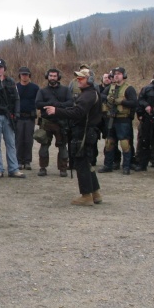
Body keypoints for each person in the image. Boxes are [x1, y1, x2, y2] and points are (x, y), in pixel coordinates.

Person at [44, 68, 103, 205]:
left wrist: (57, 111)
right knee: (87, 163)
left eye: (81, 78)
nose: (78, 80)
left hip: (83, 133)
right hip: (86, 132)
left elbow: (78, 113)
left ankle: (86, 196)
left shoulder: (88, 95)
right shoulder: (89, 93)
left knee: (81, 164)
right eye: (78, 78)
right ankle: (95, 193)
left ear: (89, 80)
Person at [35, 67, 72, 177]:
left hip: (62, 122)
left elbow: (70, 103)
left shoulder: (65, 90)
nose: (52, 78)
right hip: (46, 122)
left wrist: (57, 106)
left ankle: (63, 168)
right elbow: (37, 104)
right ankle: (42, 167)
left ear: (58, 77)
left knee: (62, 147)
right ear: (47, 77)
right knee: (44, 146)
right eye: (50, 76)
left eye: (55, 76)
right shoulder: (42, 91)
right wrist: (49, 103)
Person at [99, 67, 137, 175]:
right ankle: (108, 165)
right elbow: (101, 95)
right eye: (115, 74)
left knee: (125, 144)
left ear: (123, 75)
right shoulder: (110, 87)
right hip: (111, 118)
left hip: (123, 119)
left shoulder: (129, 88)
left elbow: (134, 102)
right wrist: (108, 98)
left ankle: (126, 166)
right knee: (109, 142)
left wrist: (121, 101)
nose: (116, 76)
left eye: (119, 74)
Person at [15, 67, 39, 170]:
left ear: (29, 76)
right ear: (19, 75)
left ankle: (28, 161)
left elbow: (39, 101)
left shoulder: (35, 88)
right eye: (23, 74)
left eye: (26, 74)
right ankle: (19, 161)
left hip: (30, 117)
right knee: (19, 139)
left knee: (29, 140)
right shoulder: (15, 87)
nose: (24, 76)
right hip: (18, 117)